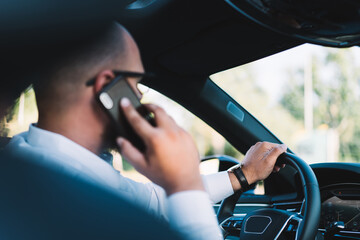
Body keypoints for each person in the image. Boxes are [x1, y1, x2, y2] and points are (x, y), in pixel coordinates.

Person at [4, 22, 286, 239]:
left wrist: (242, 174)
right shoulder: (69, 204)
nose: (140, 95)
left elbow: (150, 201)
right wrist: (185, 185)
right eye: (135, 82)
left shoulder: (30, 157)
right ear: (106, 87)